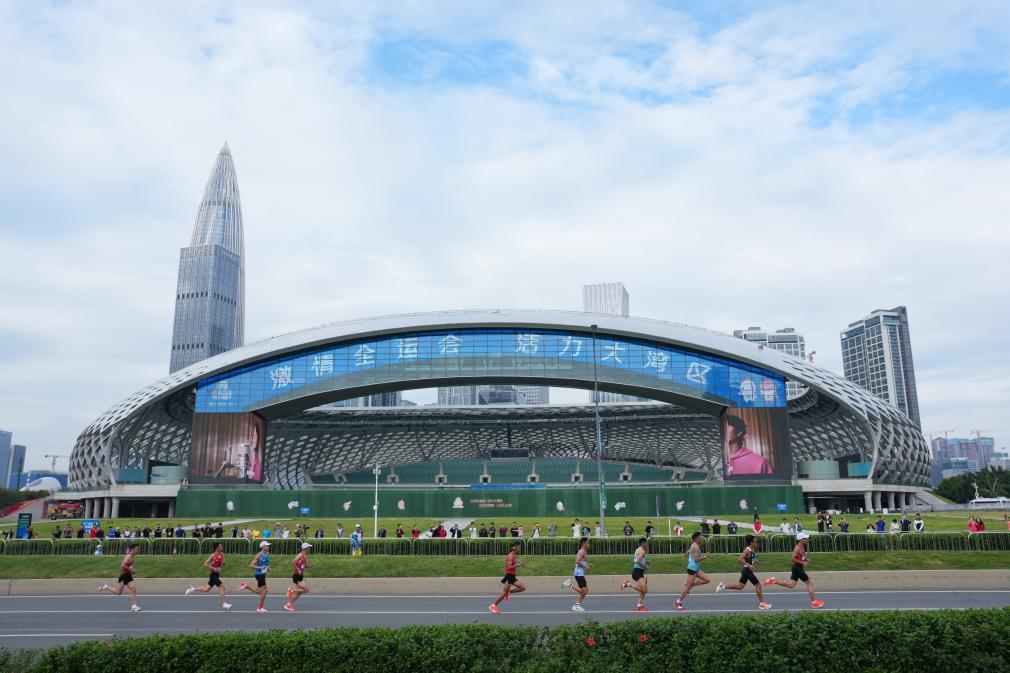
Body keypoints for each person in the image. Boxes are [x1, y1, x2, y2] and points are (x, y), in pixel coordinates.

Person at [764, 533, 824, 608]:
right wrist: (803, 563)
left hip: (797, 568)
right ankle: (814, 602)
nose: (807, 540)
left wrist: (806, 559)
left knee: (791, 585)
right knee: (809, 583)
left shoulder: (802, 547)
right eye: (805, 538)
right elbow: (792, 559)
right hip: (797, 568)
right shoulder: (797, 547)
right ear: (801, 539)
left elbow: (800, 556)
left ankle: (774, 581)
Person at [717, 534, 771, 609]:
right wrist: (749, 565)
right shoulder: (747, 550)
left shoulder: (752, 549)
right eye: (755, 541)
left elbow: (750, 558)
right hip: (747, 570)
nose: (756, 543)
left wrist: (755, 560)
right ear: (751, 542)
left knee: (740, 586)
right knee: (758, 585)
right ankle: (762, 604)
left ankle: (722, 586)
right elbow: (740, 559)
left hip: (746, 571)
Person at [185, 543, 232, 609]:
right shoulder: (213, 555)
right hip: (213, 575)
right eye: (220, 547)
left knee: (206, 589)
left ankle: (192, 588)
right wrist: (213, 568)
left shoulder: (222, 554)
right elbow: (205, 564)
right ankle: (224, 604)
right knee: (222, 587)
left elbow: (223, 563)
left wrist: (223, 563)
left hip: (217, 574)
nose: (222, 548)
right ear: (217, 548)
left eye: (222, 546)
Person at [98, 542, 142, 611]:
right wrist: (130, 569)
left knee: (133, 589)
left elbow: (129, 566)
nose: (137, 551)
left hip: (128, 575)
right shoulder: (128, 556)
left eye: (137, 549)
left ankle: (134, 606)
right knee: (118, 592)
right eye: (136, 549)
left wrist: (131, 570)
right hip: (124, 576)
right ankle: (106, 587)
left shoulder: (133, 557)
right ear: (132, 550)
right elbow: (122, 565)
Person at [675, 532, 711, 611]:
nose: (701, 539)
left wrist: (687, 554)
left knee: (707, 580)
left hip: (696, 568)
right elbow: (696, 559)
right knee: (687, 588)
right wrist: (705, 556)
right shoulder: (696, 547)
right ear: (696, 538)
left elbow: (688, 551)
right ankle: (678, 602)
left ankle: (690, 584)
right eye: (700, 537)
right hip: (692, 569)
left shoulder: (694, 545)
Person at [489, 542, 526, 614]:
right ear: (515, 547)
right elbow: (509, 567)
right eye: (519, 547)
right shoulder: (511, 556)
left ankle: (508, 592)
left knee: (522, 588)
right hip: (509, 576)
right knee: (503, 593)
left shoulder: (514, 555)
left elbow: (513, 563)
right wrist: (518, 565)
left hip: (512, 576)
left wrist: (517, 563)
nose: (520, 549)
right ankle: (493, 605)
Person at [619, 537, 650, 611]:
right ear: (643, 543)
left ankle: (639, 605)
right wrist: (645, 566)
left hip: (639, 571)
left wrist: (646, 561)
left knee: (643, 590)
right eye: (646, 543)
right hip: (637, 572)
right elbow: (638, 561)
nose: (647, 545)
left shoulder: (638, 549)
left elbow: (636, 560)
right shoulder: (642, 551)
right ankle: (628, 584)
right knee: (644, 590)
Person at [239, 540, 271, 613]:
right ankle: (260, 608)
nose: (268, 546)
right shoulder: (259, 555)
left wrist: (268, 568)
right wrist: (260, 567)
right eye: (267, 545)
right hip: (259, 574)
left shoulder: (268, 554)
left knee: (261, 592)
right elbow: (251, 565)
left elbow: (266, 563)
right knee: (264, 591)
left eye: (268, 545)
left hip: (263, 574)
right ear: (263, 547)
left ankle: (246, 586)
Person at [561, 537, 591, 611]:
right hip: (579, 574)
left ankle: (577, 605)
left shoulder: (582, 551)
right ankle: (570, 585)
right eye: (587, 543)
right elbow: (577, 561)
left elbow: (580, 561)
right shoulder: (582, 552)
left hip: (579, 573)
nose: (588, 544)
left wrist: (587, 565)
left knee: (585, 591)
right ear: (583, 544)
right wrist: (585, 566)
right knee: (584, 592)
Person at [285, 543, 313, 611]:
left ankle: (288, 604)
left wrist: (311, 566)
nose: (309, 548)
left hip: (301, 575)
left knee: (299, 593)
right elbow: (293, 562)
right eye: (308, 547)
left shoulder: (305, 556)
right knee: (306, 589)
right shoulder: (300, 555)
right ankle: (291, 590)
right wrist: (298, 569)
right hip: (296, 575)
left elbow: (304, 566)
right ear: (305, 548)